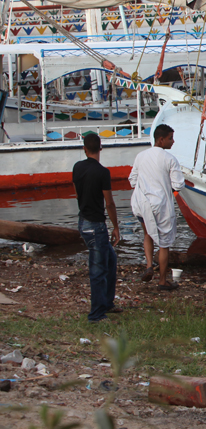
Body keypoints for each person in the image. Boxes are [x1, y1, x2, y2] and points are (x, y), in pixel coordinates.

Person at [73, 133, 121, 322]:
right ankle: (96, 314)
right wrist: (116, 226)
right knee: (98, 270)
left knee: (110, 260)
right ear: (100, 148)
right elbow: (109, 203)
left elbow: (77, 192)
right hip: (96, 226)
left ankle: (107, 303)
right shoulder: (103, 172)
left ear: (84, 149)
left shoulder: (77, 167)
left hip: (83, 221)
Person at [129, 123, 184, 289]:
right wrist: (167, 189)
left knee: (147, 234)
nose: (173, 142)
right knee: (164, 243)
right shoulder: (170, 159)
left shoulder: (141, 156)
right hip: (161, 204)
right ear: (161, 139)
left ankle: (148, 266)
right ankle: (162, 281)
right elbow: (179, 185)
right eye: (170, 138)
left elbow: (132, 180)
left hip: (142, 202)